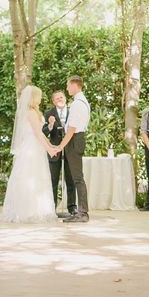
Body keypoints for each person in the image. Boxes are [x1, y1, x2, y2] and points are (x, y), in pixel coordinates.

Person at [2, 85, 58, 223]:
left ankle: (36, 209)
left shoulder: (34, 111)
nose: (41, 98)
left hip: (36, 147)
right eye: (39, 95)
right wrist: (49, 149)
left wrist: (51, 145)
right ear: (33, 97)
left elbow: (41, 134)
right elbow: (38, 134)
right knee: (30, 176)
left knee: (38, 176)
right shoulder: (31, 113)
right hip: (31, 148)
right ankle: (27, 211)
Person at [56, 75, 91, 223]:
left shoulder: (77, 103)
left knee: (77, 178)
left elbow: (72, 128)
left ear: (75, 85)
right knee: (76, 177)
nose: (67, 88)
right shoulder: (82, 101)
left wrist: (60, 146)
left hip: (74, 140)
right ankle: (78, 211)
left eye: (68, 85)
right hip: (77, 139)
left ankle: (83, 213)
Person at [42, 90, 77, 217]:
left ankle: (72, 207)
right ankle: (52, 207)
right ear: (53, 101)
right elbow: (44, 132)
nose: (60, 99)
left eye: (61, 97)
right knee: (53, 179)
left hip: (70, 149)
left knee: (71, 179)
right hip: (54, 150)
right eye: (57, 99)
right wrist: (50, 125)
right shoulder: (48, 113)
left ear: (65, 98)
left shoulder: (73, 110)